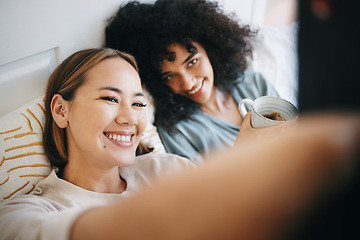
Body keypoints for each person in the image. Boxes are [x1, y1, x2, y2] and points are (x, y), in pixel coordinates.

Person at [1, 48, 359, 240]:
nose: (130, 118)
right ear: (61, 110)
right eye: (110, 99)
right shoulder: (24, 214)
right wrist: (238, 166)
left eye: (139, 103)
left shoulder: (168, 167)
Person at [104, 0, 279, 163]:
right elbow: (206, 192)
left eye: (192, 62)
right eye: (170, 76)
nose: (188, 83)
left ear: (210, 48)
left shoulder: (254, 84)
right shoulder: (177, 131)